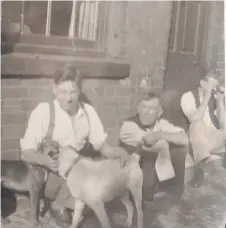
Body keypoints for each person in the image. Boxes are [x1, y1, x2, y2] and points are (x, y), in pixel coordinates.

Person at [20, 64, 129, 226]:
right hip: (53, 175)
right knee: (72, 215)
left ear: (80, 90)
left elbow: (103, 147)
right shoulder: (44, 112)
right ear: (54, 88)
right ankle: (54, 204)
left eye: (73, 92)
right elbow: (26, 153)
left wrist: (120, 152)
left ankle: (63, 205)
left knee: (95, 202)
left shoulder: (88, 112)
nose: (68, 98)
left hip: (80, 173)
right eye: (63, 92)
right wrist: (44, 161)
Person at [119, 92, 189, 203]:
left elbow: (184, 139)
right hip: (134, 172)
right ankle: (149, 194)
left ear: (159, 113)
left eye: (151, 108)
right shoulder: (129, 125)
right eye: (143, 107)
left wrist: (160, 134)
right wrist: (163, 136)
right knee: (152, 150)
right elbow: (149, 142)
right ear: (138, 109)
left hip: (152, 170)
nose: (146, 112)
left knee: (180, 149)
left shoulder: (161, 123)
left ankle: (172, 192)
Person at [181, 72, 225, 188]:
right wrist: (206, 98)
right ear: (202, 83)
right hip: (198, 136)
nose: (214, 90)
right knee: (198, 124)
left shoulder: (214, 99)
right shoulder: (188, 96)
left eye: (215, 87)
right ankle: (199, 170)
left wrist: (220, 103)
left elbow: (224, 125)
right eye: (211, 86)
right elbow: (194, 119)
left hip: (212, 137)